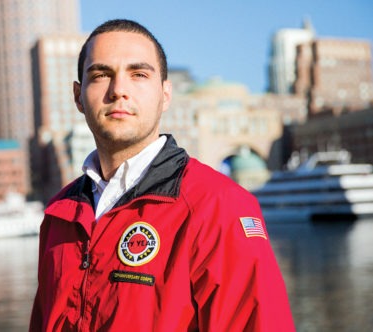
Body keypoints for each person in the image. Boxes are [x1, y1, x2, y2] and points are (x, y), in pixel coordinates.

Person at [29, 19, 295, 331]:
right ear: (78, 96)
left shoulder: (219, 206)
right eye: (101, 75)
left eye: (138, 74)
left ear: (165, 94)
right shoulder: (61, 213)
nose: (119, 90)